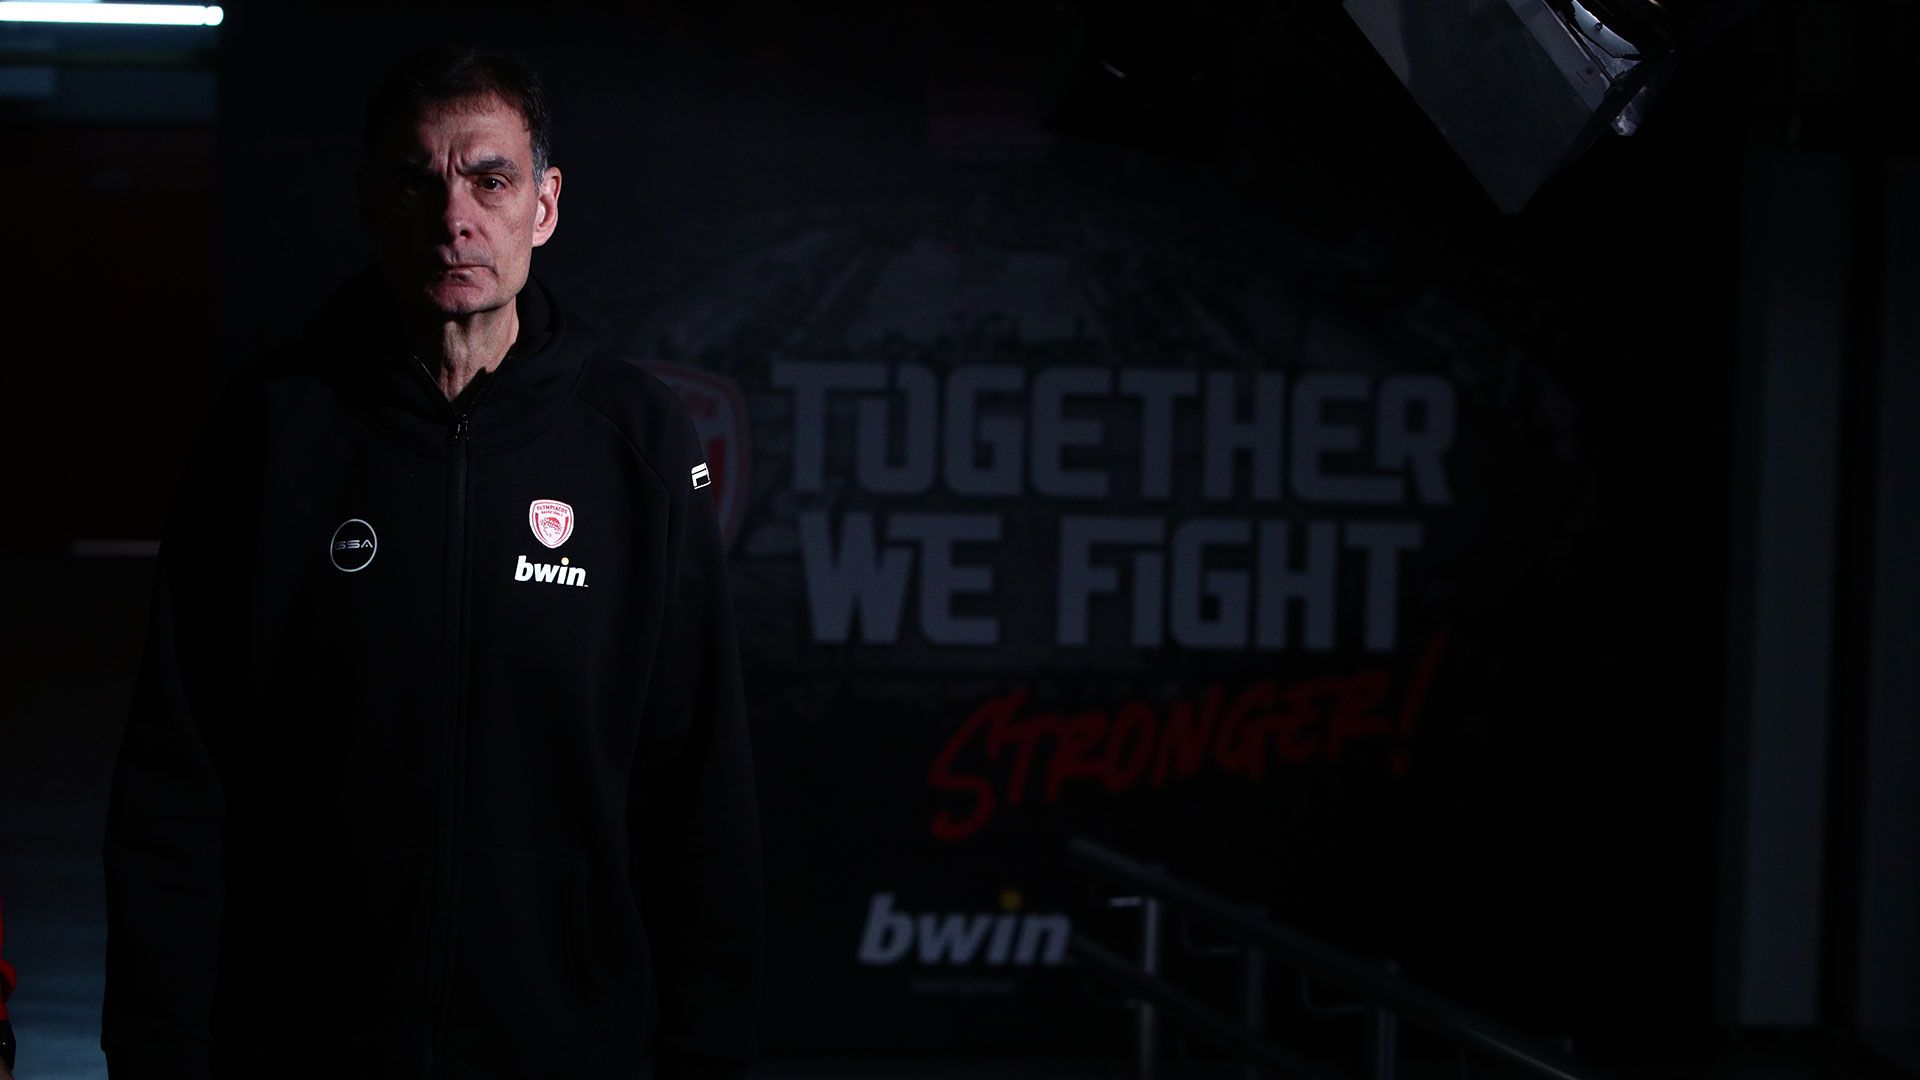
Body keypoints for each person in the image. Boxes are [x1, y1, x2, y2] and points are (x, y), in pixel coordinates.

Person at [100, 44, 763, 1080]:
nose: (456, 217)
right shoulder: (270, 434)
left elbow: (699, 790)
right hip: (301, 1044)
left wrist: (706, 1053)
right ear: (374, 202)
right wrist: (157, 1050)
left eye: (490, 181)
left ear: (543, 205)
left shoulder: (637, 443)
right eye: (421, 183)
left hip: (566, 1048)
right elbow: (176, 776)